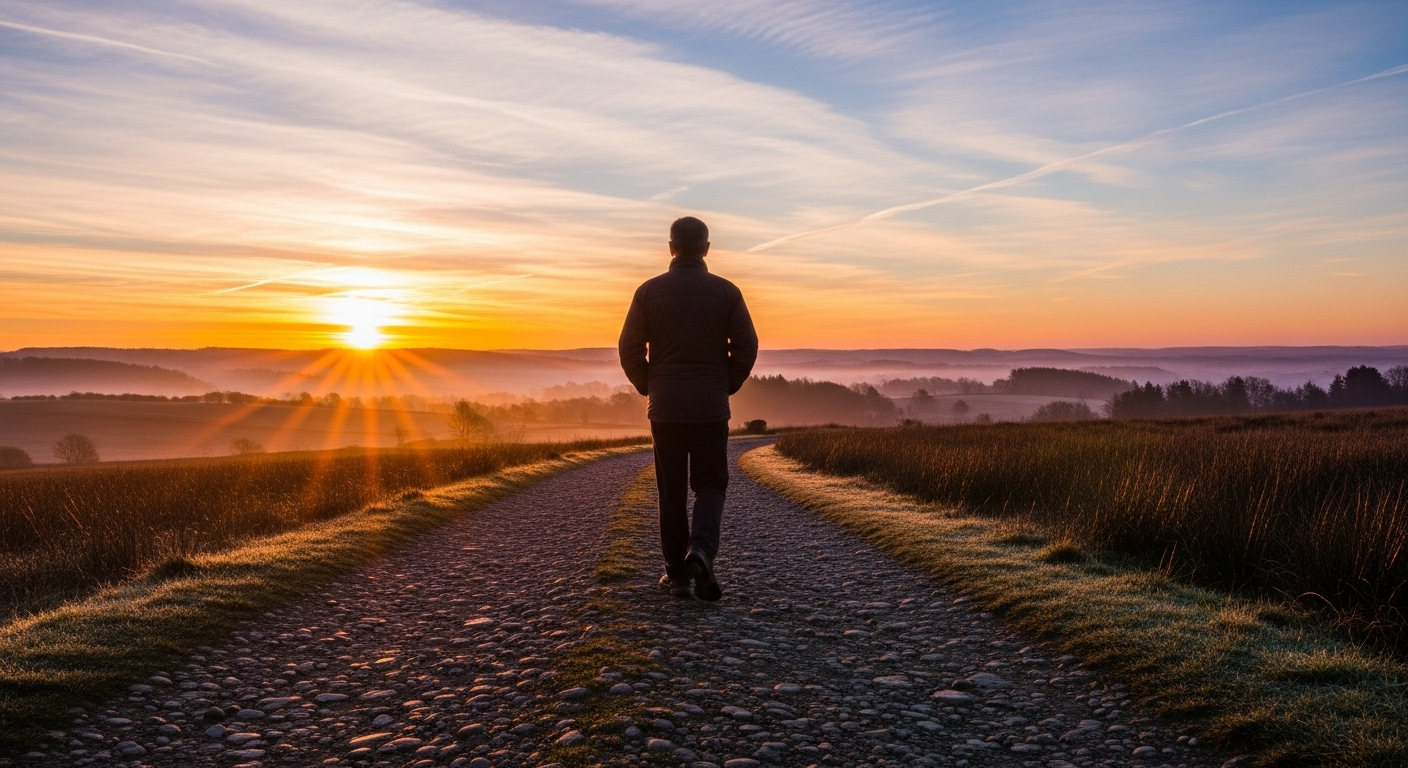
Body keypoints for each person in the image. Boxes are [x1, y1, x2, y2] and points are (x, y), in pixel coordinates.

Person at [618, 216, 758, 601]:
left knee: (672, 490)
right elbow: (747, 346)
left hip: (664, 408)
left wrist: (650, 385)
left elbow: (628, 348)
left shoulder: (648, 293)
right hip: (711, 406)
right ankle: (701, 549)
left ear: (670, 247)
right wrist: (725, 384)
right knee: (711, 484)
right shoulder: (727, 293)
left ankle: (677, 575)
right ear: (707, 249)